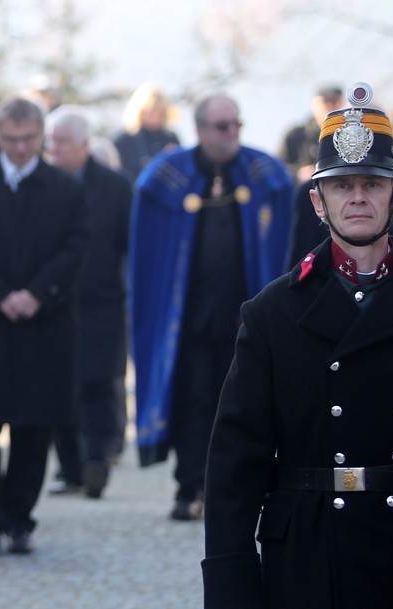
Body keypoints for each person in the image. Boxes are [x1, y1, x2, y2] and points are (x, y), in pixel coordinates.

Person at [203, 83, 393, 609]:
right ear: (317, 202)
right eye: (342, 185)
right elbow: (236, 465)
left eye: (372, 185)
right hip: (309, 556)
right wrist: (232, 583)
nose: (357, 198)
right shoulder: (272, 314)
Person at [130, 93, 292, 520]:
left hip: (245, 318)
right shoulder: (166, 178)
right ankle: (190, 487)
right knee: (194, 402)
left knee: (243, 404)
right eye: (223, 126)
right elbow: (148, 258)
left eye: (237, 124)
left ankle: (236, 489)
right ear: (200, 129)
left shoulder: (265, 175)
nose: (232, 134)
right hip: (187, 320)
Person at [0, 97, 87, 555]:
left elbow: (76, 249)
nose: (21, 148)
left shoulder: (66, 189)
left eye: (30, 139)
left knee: (34, 427)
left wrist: (37, 294)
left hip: (42, 325)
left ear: (41, 137)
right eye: (12, 139)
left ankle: (18, 518)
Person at [44, 106, 133, 500]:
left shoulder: (115, 187)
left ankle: (96, 459)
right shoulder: (43, 184)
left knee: (97, 383)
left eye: (62, 142)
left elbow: (130, 245)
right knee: (60, 385)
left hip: (101, 300)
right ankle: (70, 467)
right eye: (52, 143)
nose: (54, 150)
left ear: (83, 144)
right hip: (52, 301)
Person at [113, 83, 181, 182]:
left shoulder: (170, 138)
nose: (156, 116)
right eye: (151, 111)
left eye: (160, 112)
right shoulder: (124, 140)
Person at [279, 85, 344, 184]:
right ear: (314, 104)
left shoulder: (348, 136)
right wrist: (298, 173)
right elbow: (277, 168)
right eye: (326, 102)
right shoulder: (296, 135)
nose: (330, 106)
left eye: (334, 102)